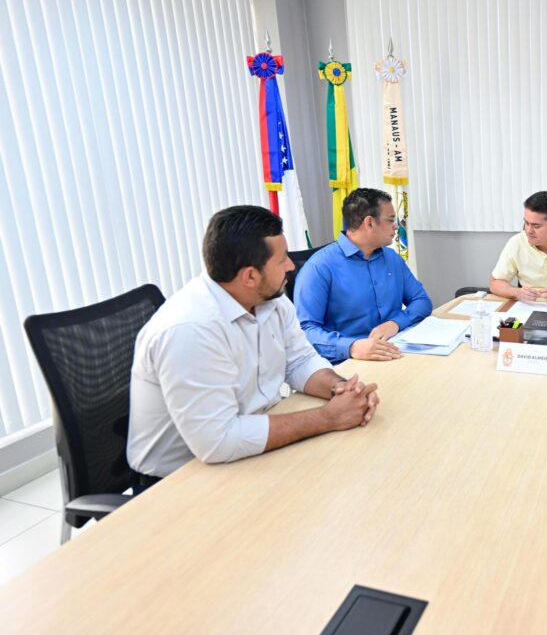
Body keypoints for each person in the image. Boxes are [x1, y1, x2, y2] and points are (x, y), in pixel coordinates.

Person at [128, 205, 380, 486]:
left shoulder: (270, 300)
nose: (291, 266)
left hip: (251, 446)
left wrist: (342, 390)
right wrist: (329, 418)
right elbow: (218, 441)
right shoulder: (190, 330)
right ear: (249, 276)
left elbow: (299, 361)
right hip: (179, 481)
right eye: (282, 260)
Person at [295, 188, 432, 363]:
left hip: (396, 352)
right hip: (349, 362)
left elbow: (422, 301)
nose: (396, 226)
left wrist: (396, 323)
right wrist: (351, 347)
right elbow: (305, 331)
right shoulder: (319, 267)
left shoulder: (392, 259)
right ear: (369, 223)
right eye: (390, 220)